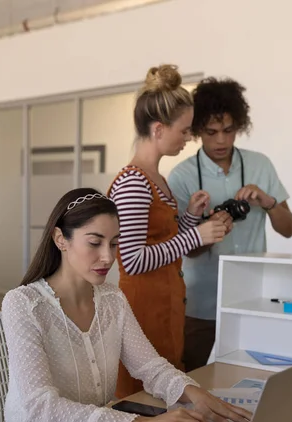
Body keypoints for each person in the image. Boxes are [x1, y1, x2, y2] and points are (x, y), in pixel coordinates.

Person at [0, 188, 250, 422]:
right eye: (95, 243)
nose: (108, 257)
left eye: (115, 243)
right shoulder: (23, 303)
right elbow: (42, 408)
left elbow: (150, 367)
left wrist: (195, 393)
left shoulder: (112, 299)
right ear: (61, 239)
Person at [109, 65, 226, 399]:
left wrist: (190, 217)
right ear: (159, 129)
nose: (188, 139)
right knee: (143, 402)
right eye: (185, 130)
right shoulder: (133, 182)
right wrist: (196, 236)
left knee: (165, 401)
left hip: (165, 310)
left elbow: (161, 243)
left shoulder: (156, 178)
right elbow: (131, 260)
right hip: (142, 314)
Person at [168, 77, 292, 371]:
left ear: (239, 125)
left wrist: (267, 201)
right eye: (211, 132)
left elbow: (288, 229)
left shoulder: (259, 165)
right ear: (197, 130)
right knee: (197, 382)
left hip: (254, 301)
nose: (221, 141)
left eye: (229, 130)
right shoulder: (182, 176)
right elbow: (182, 249)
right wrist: (209, 231)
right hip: (200, 305)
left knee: (252, 381)